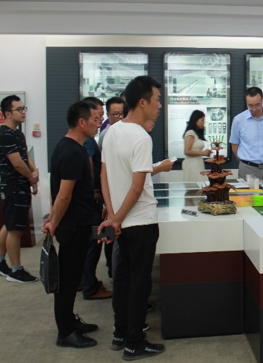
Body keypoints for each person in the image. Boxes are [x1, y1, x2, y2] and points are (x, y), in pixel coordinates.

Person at [98, 76, 166, 360]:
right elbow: (138, 188)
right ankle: (134, 343)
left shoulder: (112, 131)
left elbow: (104, 176)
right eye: (157, 100)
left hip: (122, 221)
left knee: (123, 279)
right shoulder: (140, 137)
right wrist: (117, 218)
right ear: (142, 102)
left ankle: (121, 332)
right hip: (140, 221)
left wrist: (113, 215)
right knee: (139, 283)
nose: (159, 106)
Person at [42, 101, 100, 348]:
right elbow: (64, 195)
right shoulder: (74, 152)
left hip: (72, 223)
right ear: (81, 122)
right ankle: (65, 332)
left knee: (71, 276)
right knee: (68, 281)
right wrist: (54, 222)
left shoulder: (65, 146)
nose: (99, 124)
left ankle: (69, 322)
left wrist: (52, 216)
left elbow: (56, 191)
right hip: (73, 226)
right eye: (95, 119)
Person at [0, 95, 39, 283]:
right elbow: (17, 163)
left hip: (21, 184)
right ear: (8, 113)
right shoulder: (5, 134)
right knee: (15, 229)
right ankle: (15, 270)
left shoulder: (17, 133)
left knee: (10, 224)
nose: (23, 112)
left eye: (24, 108)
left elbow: (25, 155)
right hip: (12, 186)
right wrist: (31, 176)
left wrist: (34, 172)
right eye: (19, 109)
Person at [80, 97, 113, 301]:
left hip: (93, 198)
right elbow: (89, 166)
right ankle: (90, 287)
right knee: (94, 243)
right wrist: (94, 190)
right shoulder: (88, 141)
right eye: (98, 116)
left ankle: (87, 281)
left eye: (101, 115)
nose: (101, 120)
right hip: (92, 201)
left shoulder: (90, 139)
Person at [230, 87, 263, 182]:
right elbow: (234, 146)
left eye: (257, 105)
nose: (254, 109)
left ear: (262, 101)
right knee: (246, 193)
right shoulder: (238, 120)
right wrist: (246, 162)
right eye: (250, 106)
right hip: (247, 169)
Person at [182, 110, 211, 181]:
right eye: (202, 120)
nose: (203, 123)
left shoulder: (196, 134)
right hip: (192, 165)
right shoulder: (190, 133)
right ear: (195, 120)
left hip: (198, 163)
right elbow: (187, 151)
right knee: (196, 184)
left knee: (201, 183)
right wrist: (202, 153)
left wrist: (205, 153)